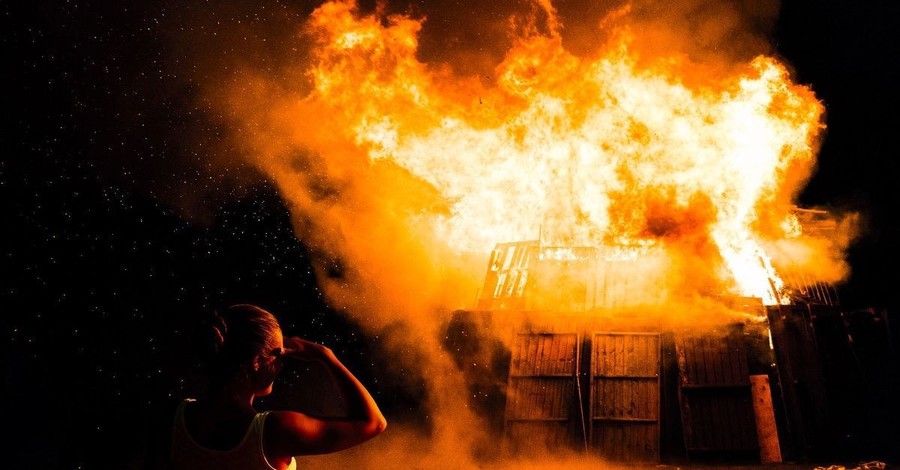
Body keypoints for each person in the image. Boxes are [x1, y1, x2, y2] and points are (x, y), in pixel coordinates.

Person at [159, 303, 386, 470]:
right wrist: (326, 356)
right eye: (279, 354)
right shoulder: (275, 431)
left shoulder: (171, 418)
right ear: (257, 363)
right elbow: (373, 423)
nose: (282, 363)